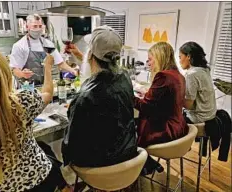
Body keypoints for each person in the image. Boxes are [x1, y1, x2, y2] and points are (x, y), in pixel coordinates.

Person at [0, 48, 73, 192]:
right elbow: (47, 93)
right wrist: (47, 66)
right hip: (39, 182)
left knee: (43, 147)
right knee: (47, 155)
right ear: (3, 77)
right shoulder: (21, 103)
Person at [61, 26, 137, 167]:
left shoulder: (85, 96)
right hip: (127, 154)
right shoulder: (125, 77)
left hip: (100, 164)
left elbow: (71, 145)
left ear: (90, 55)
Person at [134, 42, 189, 174]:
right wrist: (146, 94)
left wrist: (127, 95)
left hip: (165, 129)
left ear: (159, 57)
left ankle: (138, 166)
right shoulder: (178, 75)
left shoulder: (163, 76)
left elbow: (145, 107)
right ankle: (147, 162)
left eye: (151, 59)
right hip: (179, 126)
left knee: (126, 128)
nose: (149, 63)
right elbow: (162, 101)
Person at [10, 14, 76, 87]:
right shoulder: (19, 46)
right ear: (27, 27)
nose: (38, 29)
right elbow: (14, 70)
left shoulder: (48, 43)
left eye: (40, 26)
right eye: (35, 26)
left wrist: (73, 71)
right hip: (28, 88)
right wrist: (22, 74)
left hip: (46, 86)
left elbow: (60, 63)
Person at [179, 41, 217, 124]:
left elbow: (188, 105)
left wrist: (173, 96)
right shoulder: (205, 70)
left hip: (198, 118)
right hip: (210, 115)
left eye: (180, 57)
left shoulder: (191, 74)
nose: (179, 61)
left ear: (188, 56)